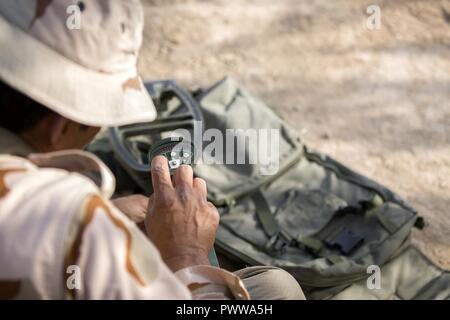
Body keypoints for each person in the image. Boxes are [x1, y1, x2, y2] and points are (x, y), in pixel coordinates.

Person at [0, 0, 305, 300]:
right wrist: (185, 254)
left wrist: (107, 217)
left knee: (272, 287)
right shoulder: (68, 219)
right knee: (279, 293)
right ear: (59, 126)